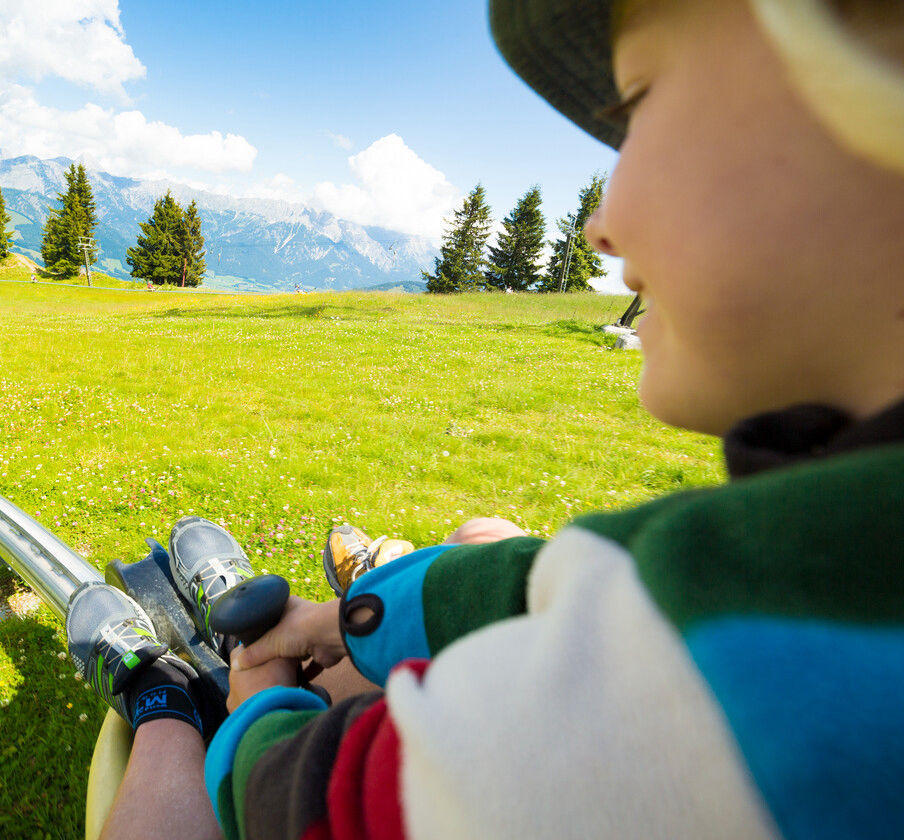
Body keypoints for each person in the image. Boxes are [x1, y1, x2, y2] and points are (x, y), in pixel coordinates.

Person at [80, 0, 904, 837]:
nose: (600, 227)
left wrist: (260, 696)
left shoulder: (702, 690)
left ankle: (169, 704)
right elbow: (550, 582)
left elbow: (310, 806)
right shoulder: (825, 556)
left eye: (638, 105)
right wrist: (343, 620)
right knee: (479, 543)